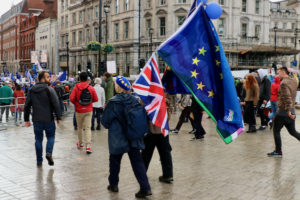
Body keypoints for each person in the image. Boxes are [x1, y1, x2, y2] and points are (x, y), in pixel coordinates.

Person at [101, 76, 152, 199]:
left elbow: (105, 122)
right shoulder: (135, 100)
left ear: (117, 87)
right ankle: (145, 188)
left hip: (118, 138)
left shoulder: (113, 102)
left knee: (114, 161)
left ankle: (114, 185)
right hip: (133, 136)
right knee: (137, 162)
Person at [24, 71, 61, 167]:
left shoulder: (32, 90)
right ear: (42, 79)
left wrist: (26, 119)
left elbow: (27, 105)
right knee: (51, 137)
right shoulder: (49, 89)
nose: (50, 79)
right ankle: (49, 153)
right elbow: (56, 104)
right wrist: (58, 117)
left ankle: (39, 160)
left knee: (38, 140)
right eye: (48, 77)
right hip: (48, 119)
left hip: (37, 120)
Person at [267, 67, 300, 157]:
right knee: (293, 131)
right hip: (291, 110)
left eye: (278, 73)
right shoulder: (294, 81)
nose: (277, 75)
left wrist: (289, 111)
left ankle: (278, 152)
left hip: (284, 111)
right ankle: (278, 151)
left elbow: (287, 97)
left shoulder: (284, 83)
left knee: (276, 130)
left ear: (283, 72)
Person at [70, 72, 98, 154]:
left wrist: (77, 103)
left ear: (79, 78)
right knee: (88, 128)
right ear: (87, 79)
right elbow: (96, 99)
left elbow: (71, 98)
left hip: (79, 110)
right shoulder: (91, 88)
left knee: (80, 127)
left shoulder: (76, 87)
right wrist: (89, 102)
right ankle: (88, 146)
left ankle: (80, 143)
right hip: (88, 110)